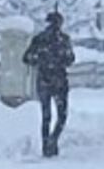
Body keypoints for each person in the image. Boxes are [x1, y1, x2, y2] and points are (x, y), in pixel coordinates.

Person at [23, 11, 75, 157]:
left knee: (46, 116)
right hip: (59, 82)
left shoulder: (39, 40)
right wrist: (59, 61)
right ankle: (53, 139)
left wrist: (40, 60)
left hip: (44, 81)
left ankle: (46, 146)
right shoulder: (64, 39)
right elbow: (71, 59)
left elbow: (27, 58)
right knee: (62, 116)